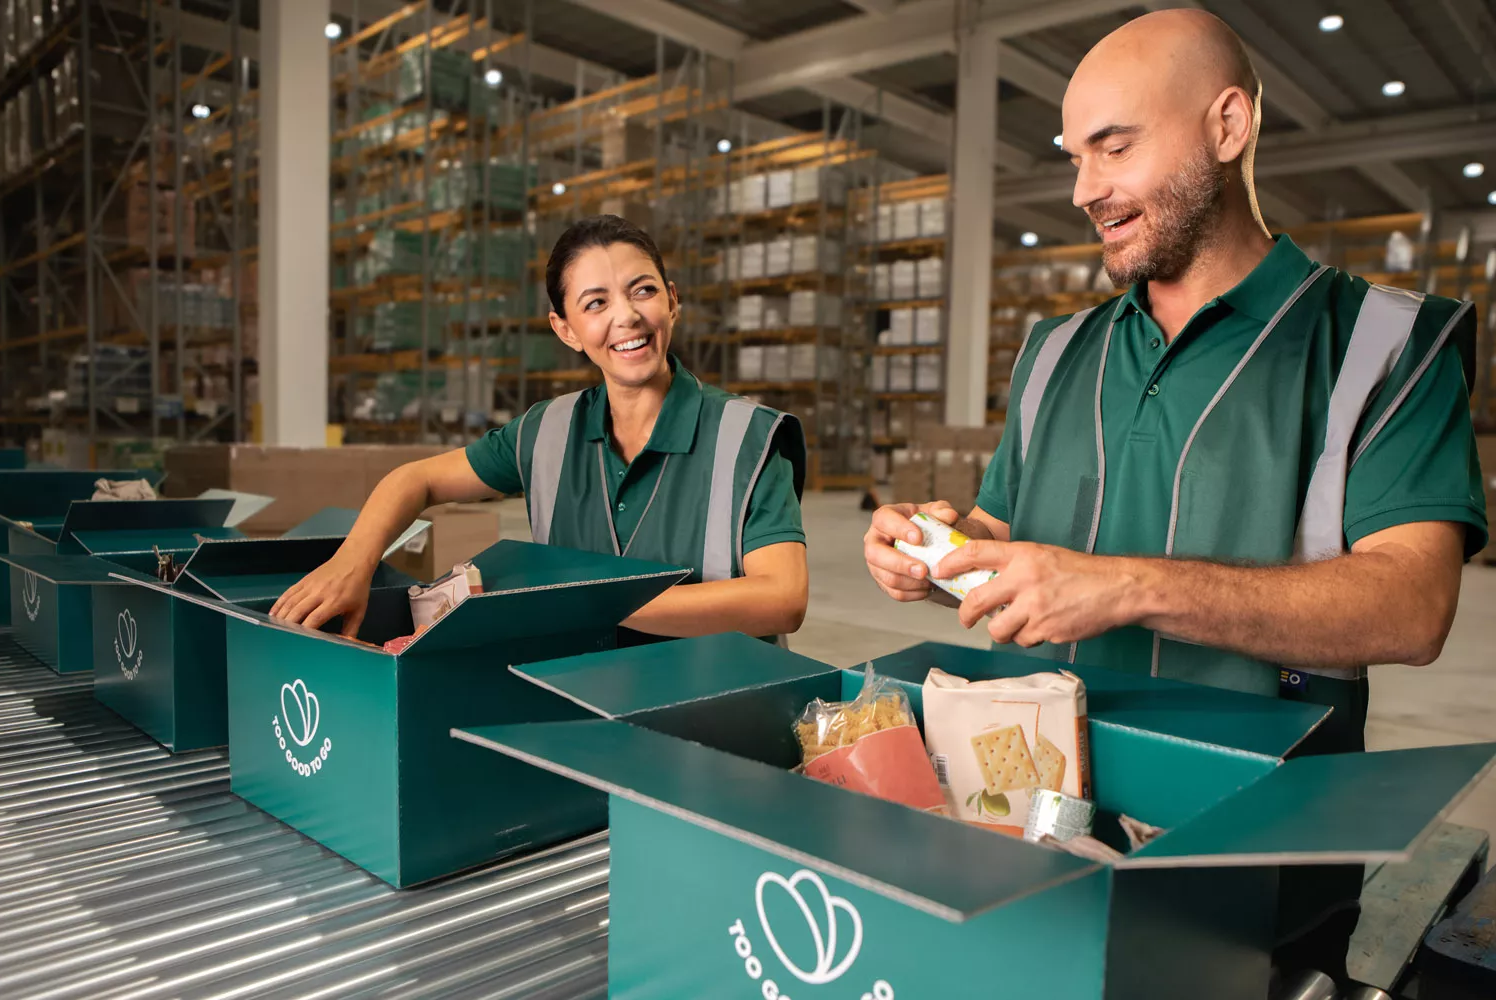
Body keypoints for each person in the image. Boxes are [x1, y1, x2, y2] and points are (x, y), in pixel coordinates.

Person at [863, 7, 1485, 987]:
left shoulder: (1384, 347)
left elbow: (1412, 606)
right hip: (1041, 821)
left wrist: (1125, 586)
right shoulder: (1056, 351)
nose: (1085, 189)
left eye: (1115, 147)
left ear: (1228, 126)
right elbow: (998, 528)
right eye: (1075, 157)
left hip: (1261, 862)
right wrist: (935, 543)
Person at [275, 214, 809, 643]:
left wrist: (586, 603)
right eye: (595, 303)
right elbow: (416, 480)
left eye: (642, 291)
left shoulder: (747, 438)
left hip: (713, 710)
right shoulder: (548, 432)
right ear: (566, 329)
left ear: (672, 299)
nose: (626, 316)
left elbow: (782, 599)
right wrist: (351, 564)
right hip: (577, 696)